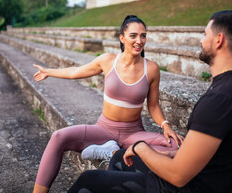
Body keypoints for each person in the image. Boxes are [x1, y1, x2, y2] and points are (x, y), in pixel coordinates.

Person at [67, 10, 232, 193]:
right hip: (202, 177)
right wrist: (160, 152)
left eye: (205, 34)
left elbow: (177, 175)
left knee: (89, 181)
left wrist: (140, 147)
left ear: (219, 40)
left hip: (189, 187)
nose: (201, 40)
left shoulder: (220, 99)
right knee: (119, 157)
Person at [32, 15, 184, 193]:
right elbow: (75, 72)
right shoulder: (108, 60)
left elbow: (153, 106)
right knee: (59, 137)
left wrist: (165, 125)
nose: (139, 41)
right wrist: (48, 71)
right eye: (133, 35)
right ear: (122, 38)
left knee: (176, 145)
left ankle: (113, 152)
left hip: (133, 133)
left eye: (143, 36)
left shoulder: (151, 69)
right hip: (104, 129)